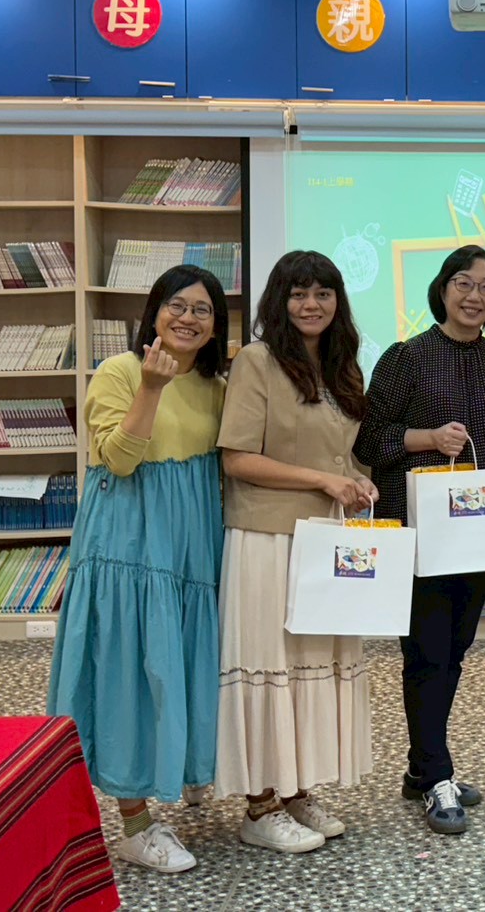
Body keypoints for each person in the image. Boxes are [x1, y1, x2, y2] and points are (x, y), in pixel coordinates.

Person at [48, 265, 230, 874]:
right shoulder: (119, 372)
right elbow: (119, 460)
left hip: (189, 545)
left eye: (202, 310)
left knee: (182, 662)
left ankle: (184, 769)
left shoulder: (215, 384)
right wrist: (152, 387)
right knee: (127, 671)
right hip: (129, 544)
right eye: (177, 305)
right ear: (154, 313)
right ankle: (132, 822)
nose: (188, 318)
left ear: (216, 327)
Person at [354, 245, 485, 835]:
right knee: (427, 651)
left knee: (453, 649)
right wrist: (428, 437)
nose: (474, 296)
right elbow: (369, 441)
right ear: (442, 289)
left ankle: (421, 766)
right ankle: (438, 775)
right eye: (463, 282)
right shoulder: (405, 357)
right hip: (421, 531)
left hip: (476, 534)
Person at [213, 250, 378, 854]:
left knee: (311, 668)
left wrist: (357, 482)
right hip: (267, 539)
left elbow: (345, 454)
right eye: (299, 293)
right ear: (278, 302)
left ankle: (296, 790)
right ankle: (258, 807)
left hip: (324, 538)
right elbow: (238, 459)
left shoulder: (343, 366)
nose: (312, 305)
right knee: (270, 667)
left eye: (323, 293)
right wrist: (323, 480)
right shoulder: (257, 361)